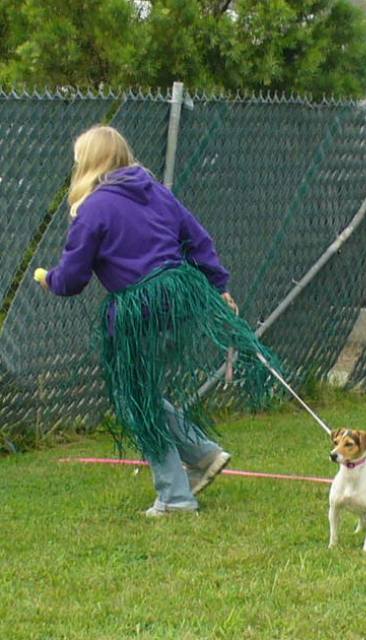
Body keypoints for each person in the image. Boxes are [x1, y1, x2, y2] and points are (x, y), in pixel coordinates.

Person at [34, 125, 276, 517]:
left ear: (91, 162)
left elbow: (73, 278)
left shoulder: (93, 207)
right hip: (180, 302)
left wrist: (49, 280)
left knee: (136, 402)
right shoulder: (158, 193)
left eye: (79, 159)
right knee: (143, 393)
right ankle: (202, 453)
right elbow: (198, 240)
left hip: (139, 312)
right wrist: (218, 285)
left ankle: (176, 496)